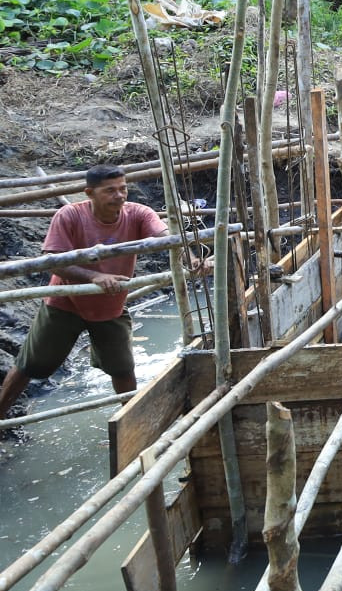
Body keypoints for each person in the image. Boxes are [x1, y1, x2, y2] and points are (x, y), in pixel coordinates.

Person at [0, 165, 208, 418]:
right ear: (90, 193)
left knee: (123, 368)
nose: (119, 195)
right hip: (65, 303)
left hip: (110, 305)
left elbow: (166, 236)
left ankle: (131, 419)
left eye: (123, 189)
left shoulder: (138, 214)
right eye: (110, 190)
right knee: (30, 364)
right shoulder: (69, 216)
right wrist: (95, 276)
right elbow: (53, 259)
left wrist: (191, 258)